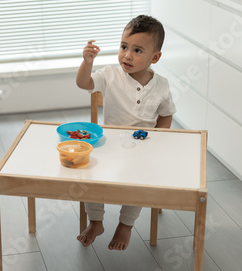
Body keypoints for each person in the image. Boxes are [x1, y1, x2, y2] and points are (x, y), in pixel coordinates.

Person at [75, 15, 176, 251]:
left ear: (155, 57)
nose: (127, 55)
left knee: (140, 179)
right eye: (124, 47)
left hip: (143, 148)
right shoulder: (110, 74)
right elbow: (84, 83)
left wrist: (159, 139)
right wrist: (87, 62)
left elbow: (166, 114)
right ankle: (96, 221)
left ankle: (126, 224)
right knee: (90, 175)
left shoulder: (161, 85)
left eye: (137, 50)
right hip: (109, 144)